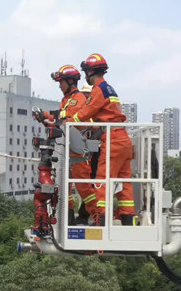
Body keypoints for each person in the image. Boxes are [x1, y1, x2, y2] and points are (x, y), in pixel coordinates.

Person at [72, 53, 136, 226]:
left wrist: (68, 123)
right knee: (124, 183)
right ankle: (128, 219)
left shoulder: (98, 89)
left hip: (113, 139)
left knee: (102, 181)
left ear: (91, 71)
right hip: (123, 139)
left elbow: (86, 112)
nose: (86, 75)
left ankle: (103, 221)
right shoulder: (110, 88)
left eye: (86, 71)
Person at [50, 65, 97, 225]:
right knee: (63, 185)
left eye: (61, 82)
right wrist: (44, 116)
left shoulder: (78, 99)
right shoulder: (67, 100)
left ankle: (98, 217)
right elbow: (60, 118)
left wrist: (54, 120)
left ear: (70, 81)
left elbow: (69, 120)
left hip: (79, 150)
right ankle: (68, 218)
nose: (59, 85)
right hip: (68, 149)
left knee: (83, 186)